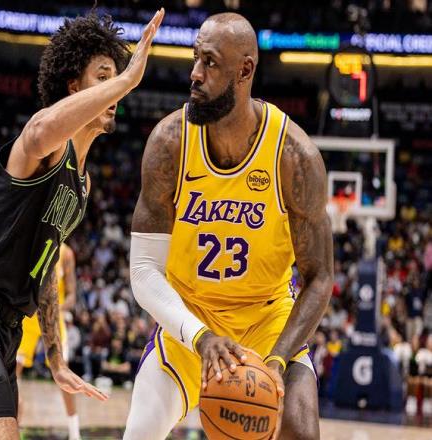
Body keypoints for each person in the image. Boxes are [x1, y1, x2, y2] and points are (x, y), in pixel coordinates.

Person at [0, 8, 164, 440]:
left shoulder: (83, 183)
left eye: (116, 78)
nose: (114, 88)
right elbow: (40, 128)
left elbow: (46, 267)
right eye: (103, 77)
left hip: (8, 328)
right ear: (73, 87)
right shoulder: (46, 146)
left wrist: (56, 358)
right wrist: (128, 79)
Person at [125, 12, 333, 440]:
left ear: (245, 70)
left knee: (301, 433)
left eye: (210, 62)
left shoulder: (294, 157)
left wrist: (276, 360)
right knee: (139, 433)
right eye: (195, 59)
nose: (195, 73)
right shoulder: (169, 143)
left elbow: (320, 278)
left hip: (267, 319)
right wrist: (201, 337)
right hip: (191, 319)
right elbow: (143, 270)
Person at [16, 243, 81, 440]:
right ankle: (12, 424)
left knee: (64, 374)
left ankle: (75, 433)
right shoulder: (31, 244)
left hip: (52, 316)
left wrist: (56, 308)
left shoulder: (66, 254)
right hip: (28, 317)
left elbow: (72, 294)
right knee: (12, 372)